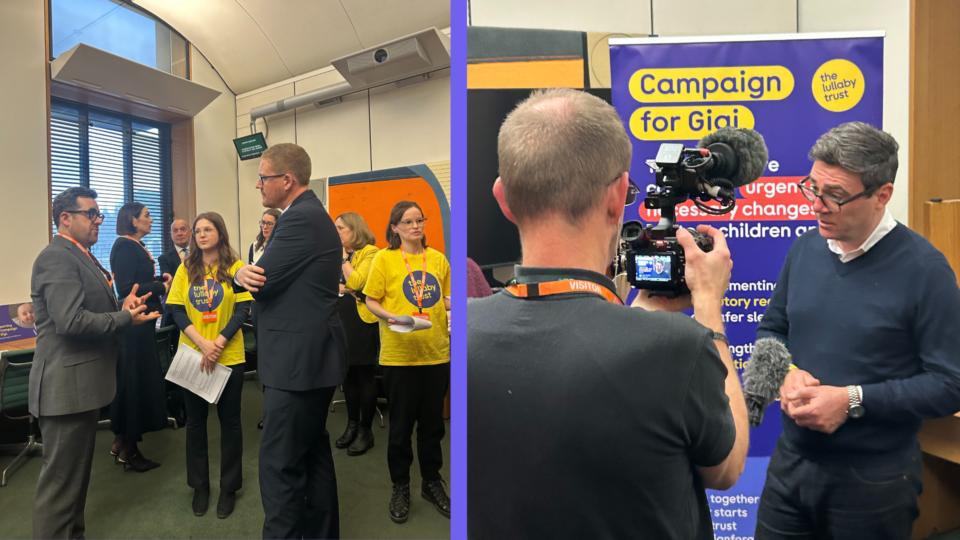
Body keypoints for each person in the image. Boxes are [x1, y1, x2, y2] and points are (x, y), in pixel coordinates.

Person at [467, 89, 749, 539]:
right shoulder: (677, 348)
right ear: (619, 195)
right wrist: (709, 308)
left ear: (503, 198)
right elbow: (727, 468)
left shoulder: (461, 330)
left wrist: (635, 312)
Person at [754, 122, 960, 540]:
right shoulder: (806, 248)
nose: (818, 206)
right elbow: (772, 330)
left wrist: (852, 400)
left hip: (874, 481)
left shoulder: (926, 271)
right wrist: (786, 373)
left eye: (835, 195)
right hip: (789, 466)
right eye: (812, 188)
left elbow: (950, 383)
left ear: (882, 195)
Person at [30, 186, 158, 539]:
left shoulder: (81, 254)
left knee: (74, 483)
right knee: (60, 488)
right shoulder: (57, 257)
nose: (98, 220)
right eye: (91, 214)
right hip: (65, 389)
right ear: (66, 219)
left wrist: (122, 308)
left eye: (99, 214)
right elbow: (70, 321)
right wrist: (124, 319)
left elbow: (88, 312)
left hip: (81, 388)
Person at [234, 142, 346, 539]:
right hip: (310, 358)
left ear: (287, 180)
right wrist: (243, 273)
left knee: (279, 465)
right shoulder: (309, 215)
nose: (258, 184)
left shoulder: (299, 220)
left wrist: (240, 276)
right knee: (312, 453)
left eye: (263, 177)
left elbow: (262, 281)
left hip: (297, 363)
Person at [363, 200, 451, 524]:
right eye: (408, 221)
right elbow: (371, 300)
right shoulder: (384, 260)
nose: (416, 226)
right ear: (395, 228)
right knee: (400, 428)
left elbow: (443, 297)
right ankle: (400, 485)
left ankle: (431, 481)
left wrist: (457, 305)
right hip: (399, 357)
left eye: (419, 220)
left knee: (432, 427)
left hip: (436, 354)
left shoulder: (438, 259)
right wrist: (391, 317)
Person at [166, 212, 252, 519]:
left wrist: (219, 342)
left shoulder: (235, 267)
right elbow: (175, 309)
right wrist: (202, 343)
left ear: (220, 232)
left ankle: (229, 487)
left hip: (229, 356)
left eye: (208, 229)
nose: (201, 234)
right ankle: (199, 486)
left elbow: (244, 308)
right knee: (196, 424)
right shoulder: (187, 268)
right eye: (197, 230)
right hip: (194, 356)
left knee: (230, 424)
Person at [109, 202, 171, 472]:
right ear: (132, 221)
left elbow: (136, 279)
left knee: (135, 383)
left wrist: (158, 278)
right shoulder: (124, 246)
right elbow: (126, 288)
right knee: (134, 385)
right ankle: (130, 449)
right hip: (134, 326)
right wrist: (161, 285)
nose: (151, 219)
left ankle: (122, 442)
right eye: (146, 216)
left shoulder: (134, 246)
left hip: (141, 324)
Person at [333, 212, 380, 456]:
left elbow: (359, 282)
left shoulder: (370, 252)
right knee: (347, 374)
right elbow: (330, 283)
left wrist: (343, 261)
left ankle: (365, 430)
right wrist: (344, 286)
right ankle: (351, 424)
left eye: (341, 228)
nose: (337, 232)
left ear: (354, 229)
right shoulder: (342, 255)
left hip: (362, 320)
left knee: (364, 374)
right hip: (340, 317)